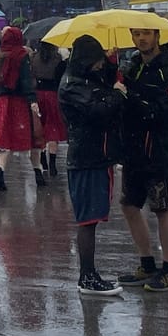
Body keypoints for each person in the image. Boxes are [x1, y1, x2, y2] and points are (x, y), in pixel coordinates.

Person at [116, 27, 168, 293]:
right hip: (132, 150)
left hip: (159, 151)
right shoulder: (131, 67)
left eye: (146, 34)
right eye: (136, 34)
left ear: (157, 36)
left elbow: (161, 114)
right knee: (129, 206)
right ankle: (146, 264)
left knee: (162, 207)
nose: (141, 39)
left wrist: (129, 96)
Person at [59, 35, 123, 296]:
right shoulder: (72, 86)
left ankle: (89, 274)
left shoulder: (81, 79)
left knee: (91, 219)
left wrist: (110, 62)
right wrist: (117, 95)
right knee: (88, 220)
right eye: (96, 61)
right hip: (86, 158)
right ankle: (87, 276)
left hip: (94, 155)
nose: (99, 66)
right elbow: (99, 109)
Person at [0, 26, 39, 190]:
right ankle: (38, 172)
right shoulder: (21, 55)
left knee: (4, 138)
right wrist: (32, 99)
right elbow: (25, 80)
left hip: (3, 102)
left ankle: (0, 171)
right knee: (33, 136)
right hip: (19, 102)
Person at [31, 40, 69, 177]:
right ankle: (52, 164)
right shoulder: (58, 59)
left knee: (40, 128)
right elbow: (61, 78)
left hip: (38, 95)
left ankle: (42, 159)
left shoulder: (34, 58)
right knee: (53, 128)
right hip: (53, 95)